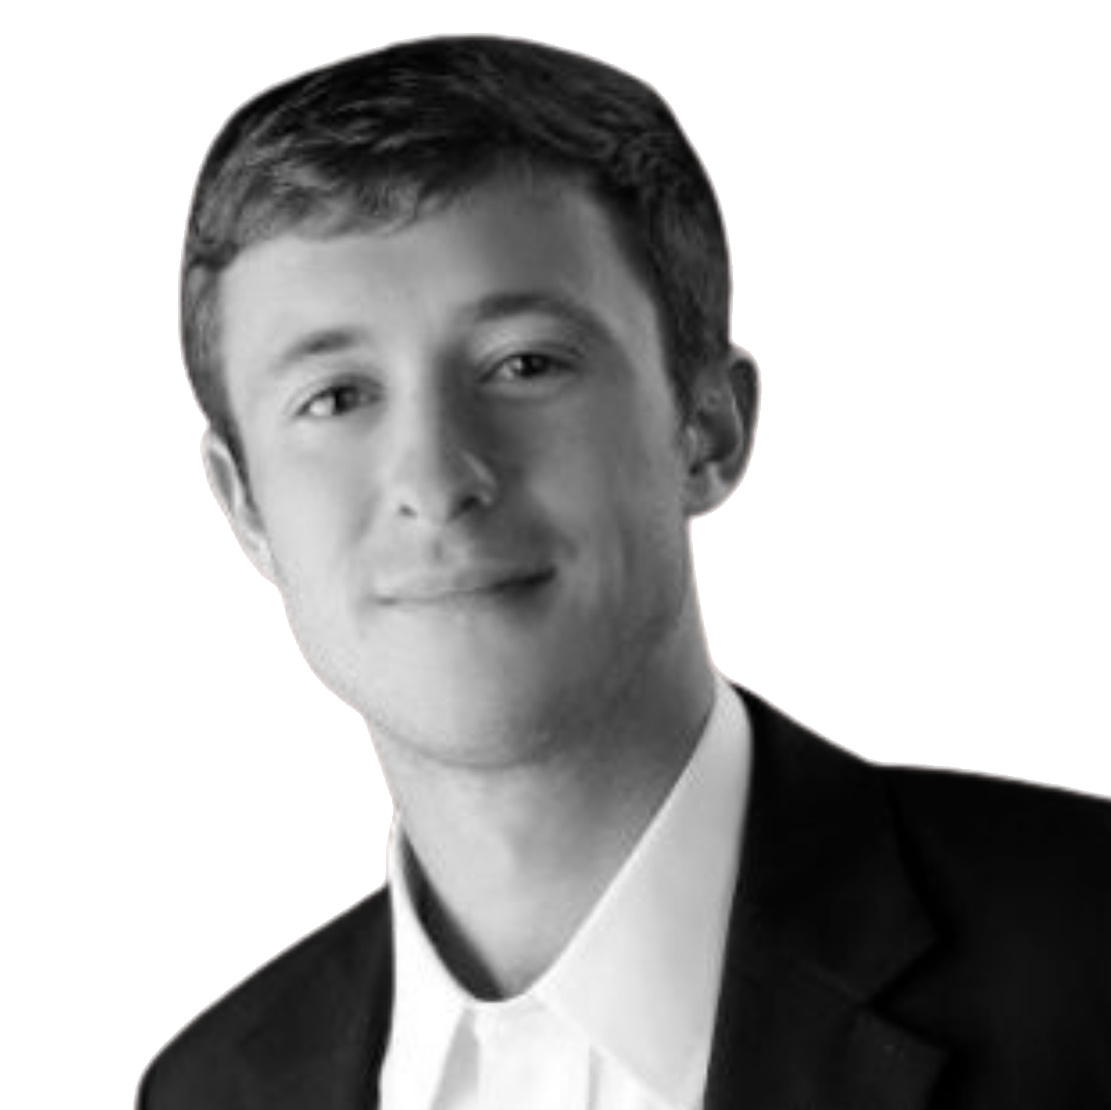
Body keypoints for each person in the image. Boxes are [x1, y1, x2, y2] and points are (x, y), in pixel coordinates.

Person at [139, 35, 1111, 1110]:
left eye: (524, 365)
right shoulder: (208, 1092)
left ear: (705, 426)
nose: (435, 478)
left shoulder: (1092, 953)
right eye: (336, 397)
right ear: (244, 506)